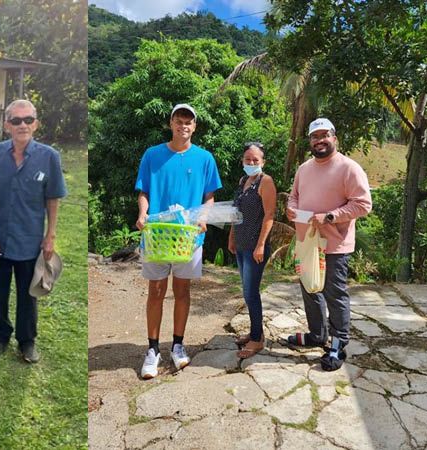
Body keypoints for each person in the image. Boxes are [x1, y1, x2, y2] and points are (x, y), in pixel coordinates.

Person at [135, 104, 222, 379]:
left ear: (194, 127)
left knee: (182, 291)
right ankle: (152, 350)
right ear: (171, 123)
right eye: (178, 120)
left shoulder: (205, 158)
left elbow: (209, 196)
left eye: (188, 122)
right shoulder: (152, 155)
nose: (183, 126)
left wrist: (204, 217)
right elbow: (144, 191)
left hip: (189, 238)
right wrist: (142, 213)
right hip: (157, 235)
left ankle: (178, 345)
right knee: (156, 291)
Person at [0, 99, 67, 363]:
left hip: (30, 239)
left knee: (28, 293)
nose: (23, 125)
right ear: (7, 125)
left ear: (36, 124)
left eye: (28, 120)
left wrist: (50, 235)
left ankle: (27, 341)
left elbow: (53, 198)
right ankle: (0, 335)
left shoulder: (49, 157)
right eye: (16, 120)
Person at [286, 118, 372, 371]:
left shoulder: (349, 168)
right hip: (307, 242)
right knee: (310, 289)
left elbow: (363, 204)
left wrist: (330, 216)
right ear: (310, 141)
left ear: (334, 138)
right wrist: (291, 209)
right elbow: (294, 197)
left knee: (334, 295)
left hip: (335, 244)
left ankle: (337, 343)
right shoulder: (304, 169)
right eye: (315, 136)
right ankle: (316, 335)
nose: (320, 140)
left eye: (325, 135)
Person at [228, 142, 277, 359]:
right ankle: (253, 332)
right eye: (248, 159)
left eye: (256, 160)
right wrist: (231, 238)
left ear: (263, 162)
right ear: (242, 161)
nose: (251, 163)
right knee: (247, 293)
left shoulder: (265, 182)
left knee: (251, 293)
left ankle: (257, 340)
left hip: (255, 248)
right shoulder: (243, 181)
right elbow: (235, 214)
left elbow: (269, 216)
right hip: (240, 244)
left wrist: (260, 245)